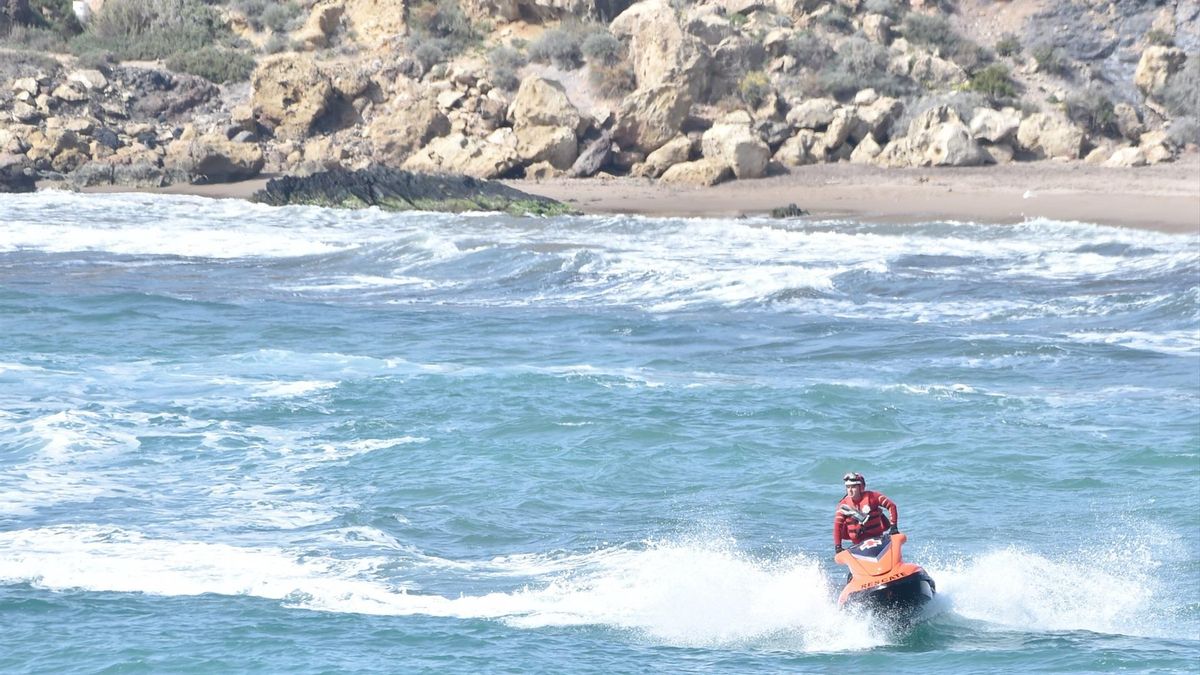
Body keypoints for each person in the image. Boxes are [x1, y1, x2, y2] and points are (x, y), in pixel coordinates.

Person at [833, 472, 899, 554]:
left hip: (878, 539)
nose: (850, 490)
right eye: (848, 487)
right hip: (858, 544)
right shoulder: (843, 506)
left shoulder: (873, 497)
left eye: (853, 487)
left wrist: (894, 528)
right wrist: (838, 546)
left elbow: (891, 506)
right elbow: (837, 526)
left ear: (861, 487)